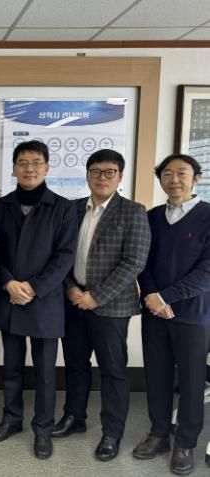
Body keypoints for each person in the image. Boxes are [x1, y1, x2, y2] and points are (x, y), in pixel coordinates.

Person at [51, 149, 151, 461]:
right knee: (75, 364)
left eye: (109, 172)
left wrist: (96, 296)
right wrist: (70, 288)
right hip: (73, 301)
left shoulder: (133, 212)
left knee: (113, 370)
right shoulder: (71, 209)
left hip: (111, 306)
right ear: (87, 175)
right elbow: (60, 254)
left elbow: (134, 261)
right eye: (96, 171)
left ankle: (112, 431)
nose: (102, 178)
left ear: (120, 176)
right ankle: (74, 417)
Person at [0, 140, 78, 459]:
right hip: (9, 298)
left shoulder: (63, 208)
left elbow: (65, 256)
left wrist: (34, 288)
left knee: (45, 372)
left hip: (45, 301)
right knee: (11, 367)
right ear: (13, 168)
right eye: (23, 162)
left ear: (47, 168)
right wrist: (9, 282)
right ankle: (12, 419)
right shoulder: (1, 206)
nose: (29, 168)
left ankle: (43, 428)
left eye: (36, 162)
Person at [132, 154, 210, 476]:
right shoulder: (151, 218)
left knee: (192, 381)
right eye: (167, 173)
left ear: (196, 178)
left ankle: (185, 443)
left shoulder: (207, 216)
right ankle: (159, 434)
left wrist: (166, 297)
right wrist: (152, 297)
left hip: (193, 314)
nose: (174, 179)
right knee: (158, 375)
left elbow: (207, 270)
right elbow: (142, 262)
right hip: (155, 313)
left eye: (182, 173)